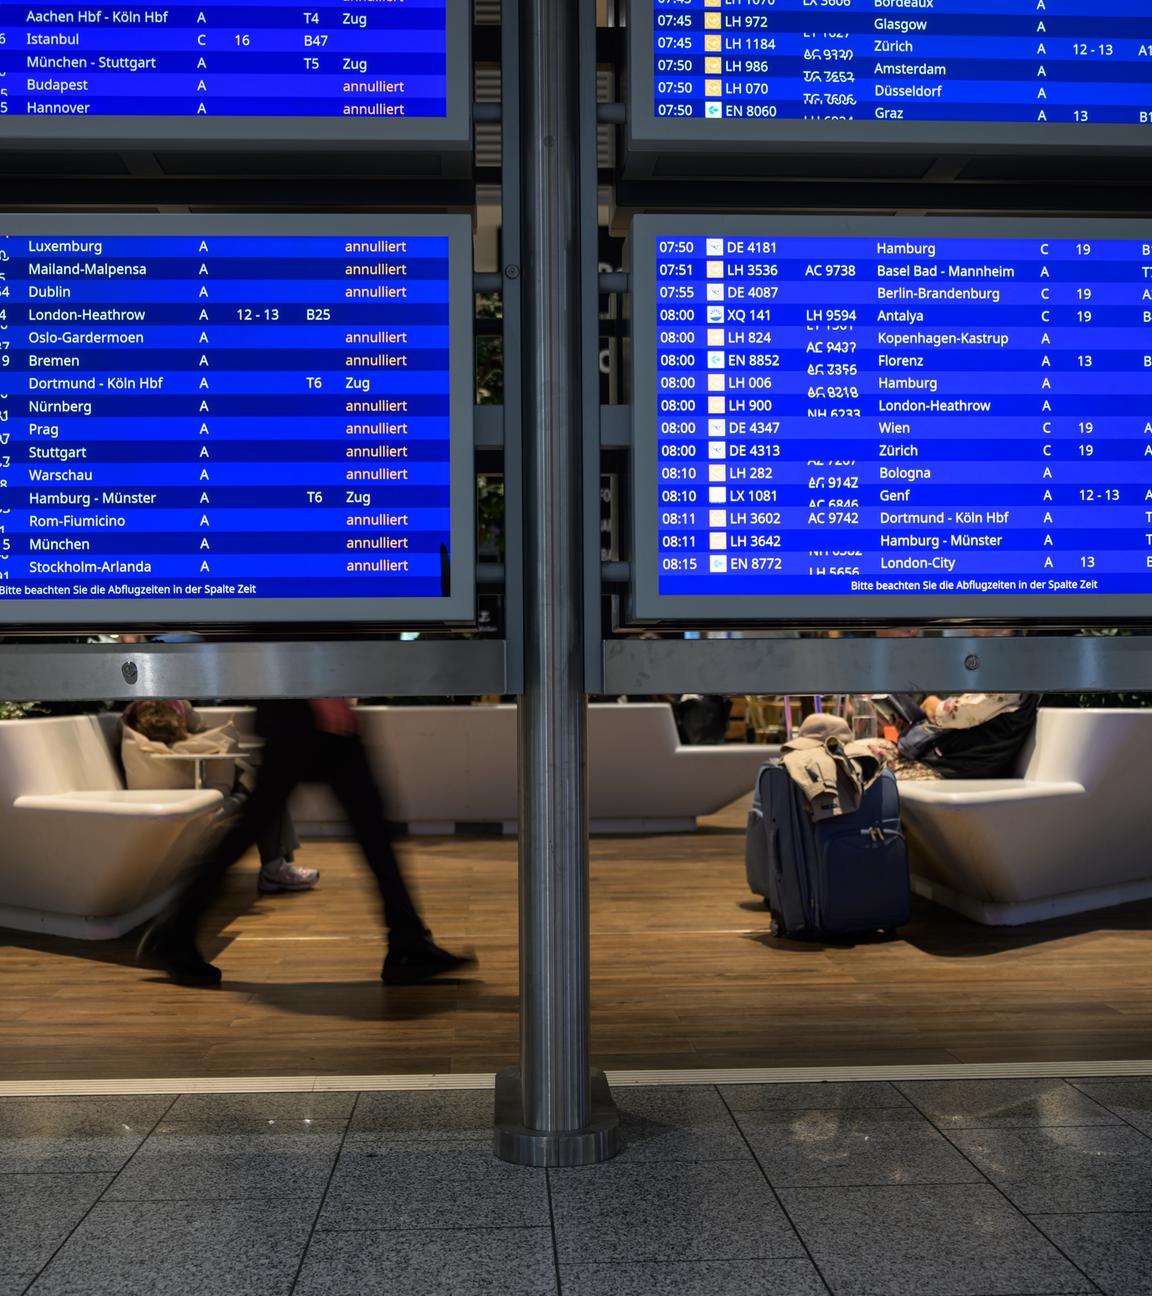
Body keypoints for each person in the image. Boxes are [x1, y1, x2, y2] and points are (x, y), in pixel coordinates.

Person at [138, 698, 473, 988]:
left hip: (302, 707)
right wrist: (322, 695)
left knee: (359, 827)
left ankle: (408, 941)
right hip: (305, 711)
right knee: (366, 828)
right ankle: (407, 943)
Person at [122, 699, 315, 894]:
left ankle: (275, 864)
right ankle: (274, 866)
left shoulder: (143, 712)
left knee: (264, 784)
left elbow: (198, 731)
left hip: (189, 771)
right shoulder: (171, 708)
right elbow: (200, 734)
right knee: (262, 785)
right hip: (187, 774)